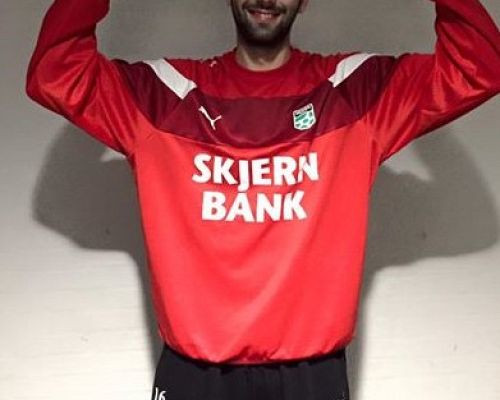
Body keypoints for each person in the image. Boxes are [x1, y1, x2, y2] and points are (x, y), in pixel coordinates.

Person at [25, 0, 499, 398]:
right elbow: (55, 72)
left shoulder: (355, 91)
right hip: (194, 375)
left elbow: (477, 67)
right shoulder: (162, 95)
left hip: (311, 375)